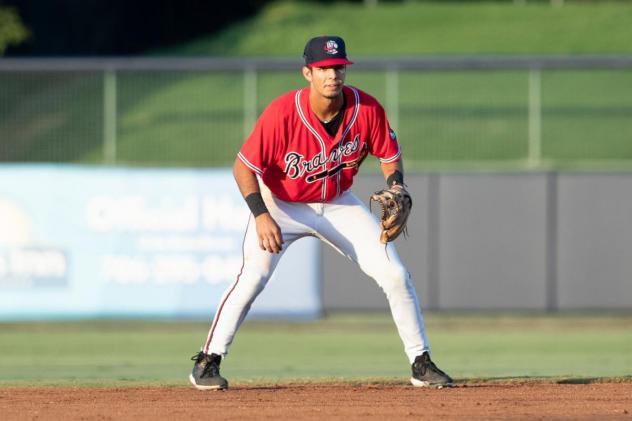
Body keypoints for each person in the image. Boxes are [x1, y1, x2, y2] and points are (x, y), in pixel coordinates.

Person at [190, 35, 453, 390]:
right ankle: (208, 361)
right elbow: (243, 167)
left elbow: (390, 156)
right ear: (308, 73)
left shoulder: (367, 109)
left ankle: (420, 363)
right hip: (280, 203)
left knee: (395, 275)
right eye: (324, 68)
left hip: (337, 203)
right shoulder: (282, 113)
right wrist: (261, 214)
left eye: (338, 67)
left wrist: (397, 186)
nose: (333, 75)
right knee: (253, 277)